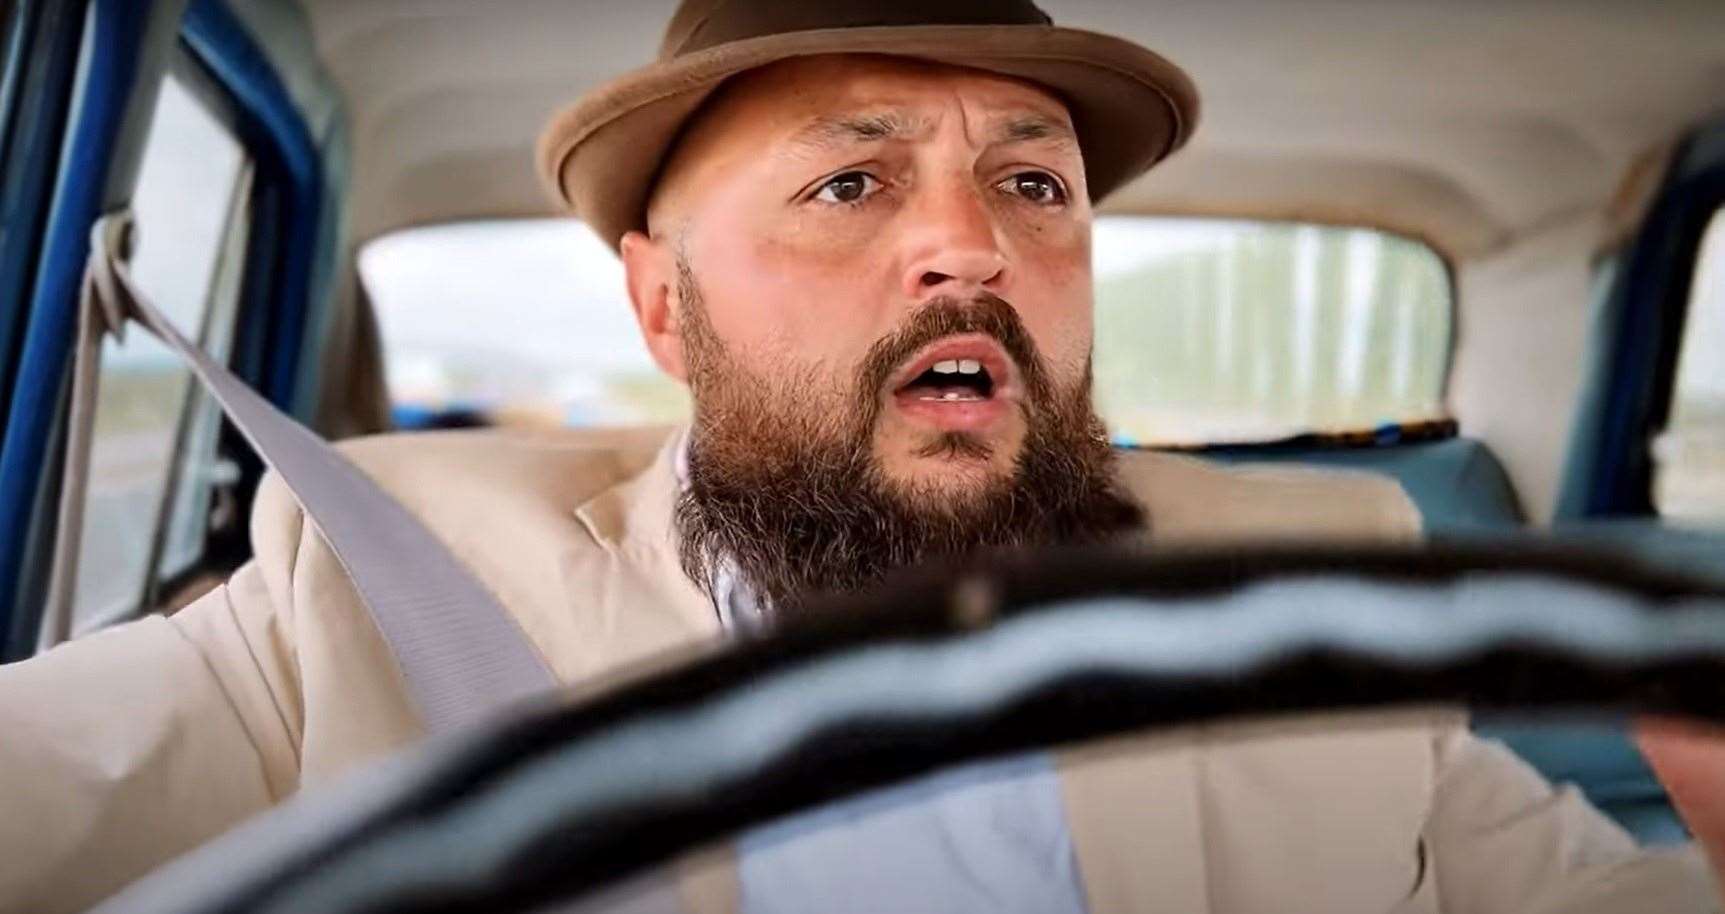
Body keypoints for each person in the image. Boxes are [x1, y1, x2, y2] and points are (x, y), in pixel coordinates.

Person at [2, 1, 1722, 912]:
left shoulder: (1320, 591)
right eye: (849, 181)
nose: (969, 248)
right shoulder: (365, 587)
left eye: (1033, 183)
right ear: (663, 311)